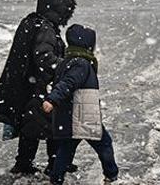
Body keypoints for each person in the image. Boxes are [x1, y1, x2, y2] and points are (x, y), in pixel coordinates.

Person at [0, 0, 77, 176]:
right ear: (56, 10)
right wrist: (65, 65)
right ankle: (54, 164)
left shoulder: (31, 22)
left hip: (26, 87)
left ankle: (24, 163)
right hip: (40, 87)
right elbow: (44, 57)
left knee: (31, 126)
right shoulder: (45, 28)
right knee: (54, 126)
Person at [43, 24, 119, 185]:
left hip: (70, 115)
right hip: (82, 115)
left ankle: (56, 179)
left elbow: (63, 82)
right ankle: (112, 176)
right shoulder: (81, 63)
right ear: (87, 45)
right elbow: (68, 82)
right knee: (104, 143)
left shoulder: (67, 61)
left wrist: (53, 99)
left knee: (66, 148)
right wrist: (52, 99)